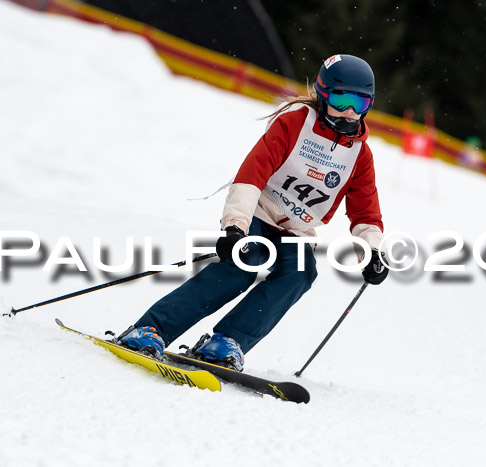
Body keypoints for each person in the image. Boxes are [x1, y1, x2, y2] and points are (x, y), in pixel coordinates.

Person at [117, 54, 389, 371]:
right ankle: (151, 329)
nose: (349, 112)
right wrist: (235, 227)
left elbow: (366, 212)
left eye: (359, 102)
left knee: (300, 274)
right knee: (242, 264)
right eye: (342, 100)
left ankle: (226, 342)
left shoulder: (360, 155)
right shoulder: (294, 124)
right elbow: (251, 175)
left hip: (297, 231)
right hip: (257, 213)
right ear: (324, 93)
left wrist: (372, 251)